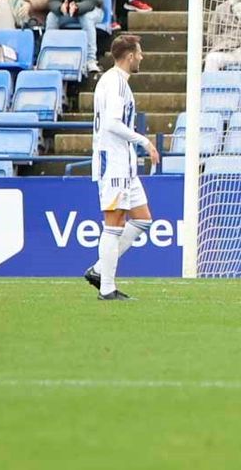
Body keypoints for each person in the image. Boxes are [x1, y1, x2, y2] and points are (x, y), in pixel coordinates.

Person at [83, 34, 161, 301]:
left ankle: (98, 269)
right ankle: (107, 288)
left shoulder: (119, 83)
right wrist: (144, 141)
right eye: (139, 53)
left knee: (143, 219)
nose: (141, 57)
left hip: (125, 164)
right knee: (114, 223)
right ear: (129, 56)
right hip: (114, 163)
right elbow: (112, 124)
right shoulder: (114, 83)